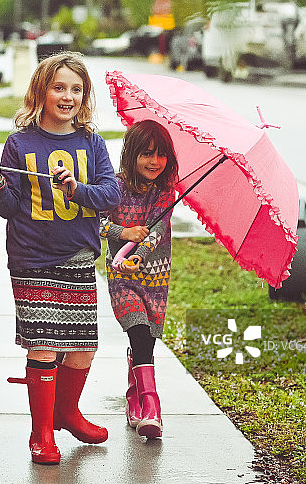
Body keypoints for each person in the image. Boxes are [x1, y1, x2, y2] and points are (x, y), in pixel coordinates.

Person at [0, 51, 121, 465]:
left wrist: (77, 190)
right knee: (43, 345)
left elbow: (111, 194)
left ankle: (67, 413)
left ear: (84, 96)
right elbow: (9, 206)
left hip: (77, 257)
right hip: (31, 258)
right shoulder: (20, 143)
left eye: (75, 89)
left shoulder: (92, 143)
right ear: (41, 92)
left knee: (82, 348)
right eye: (58, 88)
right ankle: (41, 435)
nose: (67, 96)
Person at [100, 120, 178, 440]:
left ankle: (135, 394)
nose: (154, 162)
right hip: (121, 276)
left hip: (155, 274)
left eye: (161, 155)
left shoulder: (165, 192)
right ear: (131, 154)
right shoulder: (114, 187)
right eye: (147, 154)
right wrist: (124, 233)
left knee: (147, 339)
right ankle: (151, 404)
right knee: (138, 330)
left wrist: (139, 255)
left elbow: (158, 231)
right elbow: (96, 223)